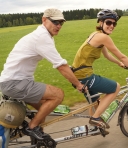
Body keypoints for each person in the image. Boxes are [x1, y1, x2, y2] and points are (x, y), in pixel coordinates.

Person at [0, 8, 85, 140]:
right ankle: (31, 128)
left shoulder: (42, 35)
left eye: (61, 23)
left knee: (42, 110)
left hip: (14, 82)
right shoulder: (42, 37)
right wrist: (78, 85)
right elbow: (60, 66)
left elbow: (59, 62)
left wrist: (70, 69)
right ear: (44, 20)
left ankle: (37, 139)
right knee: (58, 94)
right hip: (15, 83)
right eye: (55, 22)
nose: (58, 26)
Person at [71, 9, 128, 130]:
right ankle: (95, 119)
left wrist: (119, 63)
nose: (112, 26)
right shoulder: (103, 37)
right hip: (84, 75)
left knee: (95, 102)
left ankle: (95, 126)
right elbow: (122, 56)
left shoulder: (95, 34)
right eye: (109, 23)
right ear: (101, 22)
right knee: (116, 87)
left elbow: (107, 55)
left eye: (114, 24)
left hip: (78, 74)